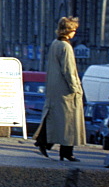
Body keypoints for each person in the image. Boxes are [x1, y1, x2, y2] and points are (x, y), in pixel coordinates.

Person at [34, 16, 86, 162]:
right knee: (69, 122)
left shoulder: (55, 43)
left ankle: (48, 143)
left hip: (55, 88)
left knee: (56, 119)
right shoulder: (66, 47)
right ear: (68, 30)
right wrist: (76, 88)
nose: (75, 32)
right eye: (74, 29)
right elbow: (69, 70)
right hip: (66, 90)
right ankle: (63, 150)